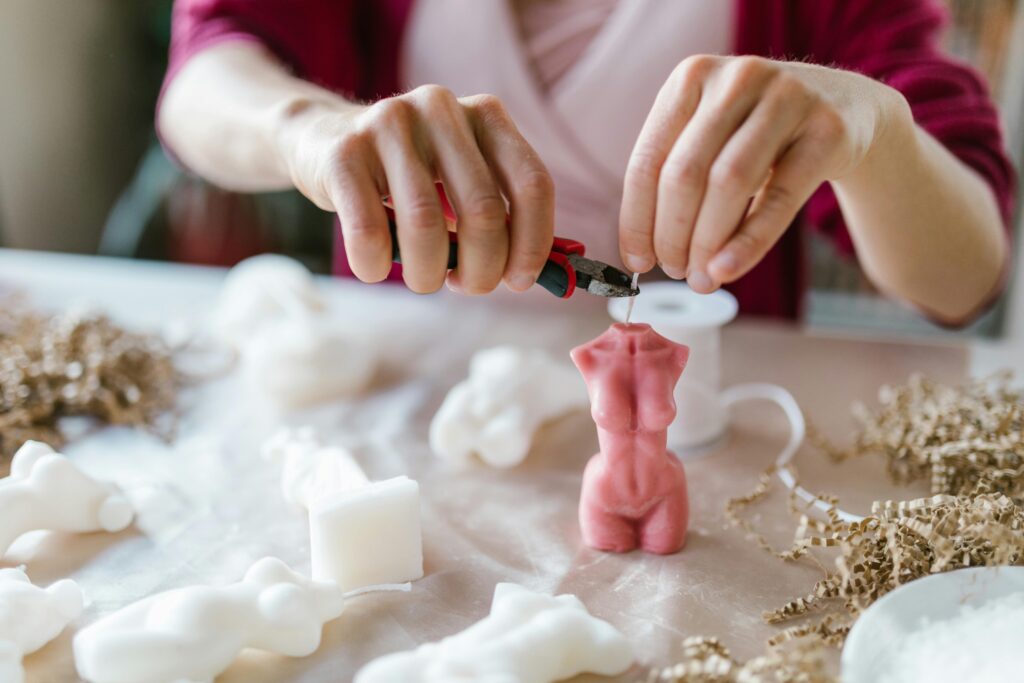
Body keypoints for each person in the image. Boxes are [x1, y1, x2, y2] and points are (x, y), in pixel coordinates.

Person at [158, 0, 1015, 324]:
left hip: (711, 437)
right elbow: (200, 85)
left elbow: (967, 274)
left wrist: (878, 132)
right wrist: (306, 128)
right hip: (403, 411)